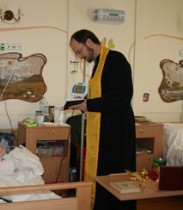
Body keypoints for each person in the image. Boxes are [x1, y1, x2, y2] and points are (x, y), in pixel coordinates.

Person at [69, 29, 136, 210]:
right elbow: (105, 96)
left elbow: (123, 96)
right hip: (104, 128)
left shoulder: (115, 60)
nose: (80, 56)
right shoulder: (99, 63)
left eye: (79, 51)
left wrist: (89, 105)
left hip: (117, 130)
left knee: (114, 176)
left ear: (89, 43)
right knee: (102, 173)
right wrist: (86, 104)